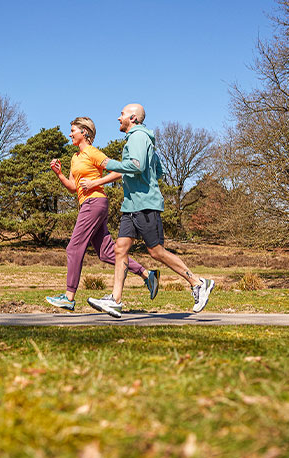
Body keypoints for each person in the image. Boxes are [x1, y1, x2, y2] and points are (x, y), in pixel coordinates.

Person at [87, 104, 214, 318]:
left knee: (156, 252)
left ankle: (198, 282)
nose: (119, 118)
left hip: (145, 205)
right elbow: (158, 171)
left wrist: (109, 163)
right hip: (131, 205)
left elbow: (137, 166)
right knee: (120, 249)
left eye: (122, 114)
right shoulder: (142, 140)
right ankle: (115, 300)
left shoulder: (138, 137)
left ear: (133, 118)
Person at [44, 117, 159, 311]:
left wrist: (95, 183)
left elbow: (119, 171)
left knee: (74, 248)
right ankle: (147, 275)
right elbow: (73, 187)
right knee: (106, 253)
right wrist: (59, 174)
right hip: (88, 204)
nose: (70, 134)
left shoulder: (92, 152)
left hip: (94, 202)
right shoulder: (75, 157)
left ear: (84, 132)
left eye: (73, 130)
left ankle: (69, 297)